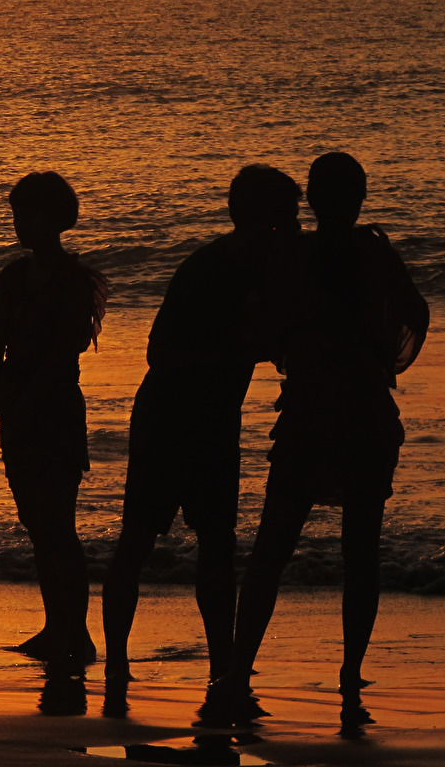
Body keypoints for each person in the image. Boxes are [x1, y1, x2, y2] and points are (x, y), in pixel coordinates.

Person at [221, 152, 428, 723]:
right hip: (364, 412)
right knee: (360, 554)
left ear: (310, 199)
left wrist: (292, 345)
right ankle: (349, 675)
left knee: (272, 548)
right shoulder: (376, 253)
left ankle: (239, 670)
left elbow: (262, 325)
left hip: (309, 410)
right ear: (360, 198)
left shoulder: (292, 254)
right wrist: (379, 354)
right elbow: (416, 317)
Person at [102, 165, 302, 690]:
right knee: (140, 538)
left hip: (214, 422)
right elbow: (159, 353)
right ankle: (117, 662)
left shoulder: (267, 271)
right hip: (168, 417)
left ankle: (224, 667)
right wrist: (239, 352)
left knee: (217, 542)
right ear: (254, 219)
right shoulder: (207, 269)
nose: (294, 232)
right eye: (286, 221)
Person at [0, 171, 108, 665]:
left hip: (54, 409)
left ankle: (75, 633)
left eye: (28, 215)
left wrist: (25, 402)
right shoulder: (13, 276)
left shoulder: (75, 282)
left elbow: (63, 354)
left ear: (55, 219)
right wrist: (1, 396)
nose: (20, 225)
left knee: (57, 523)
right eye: (16, 215)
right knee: (35, 523)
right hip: (15, 405)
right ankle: (55, 625)